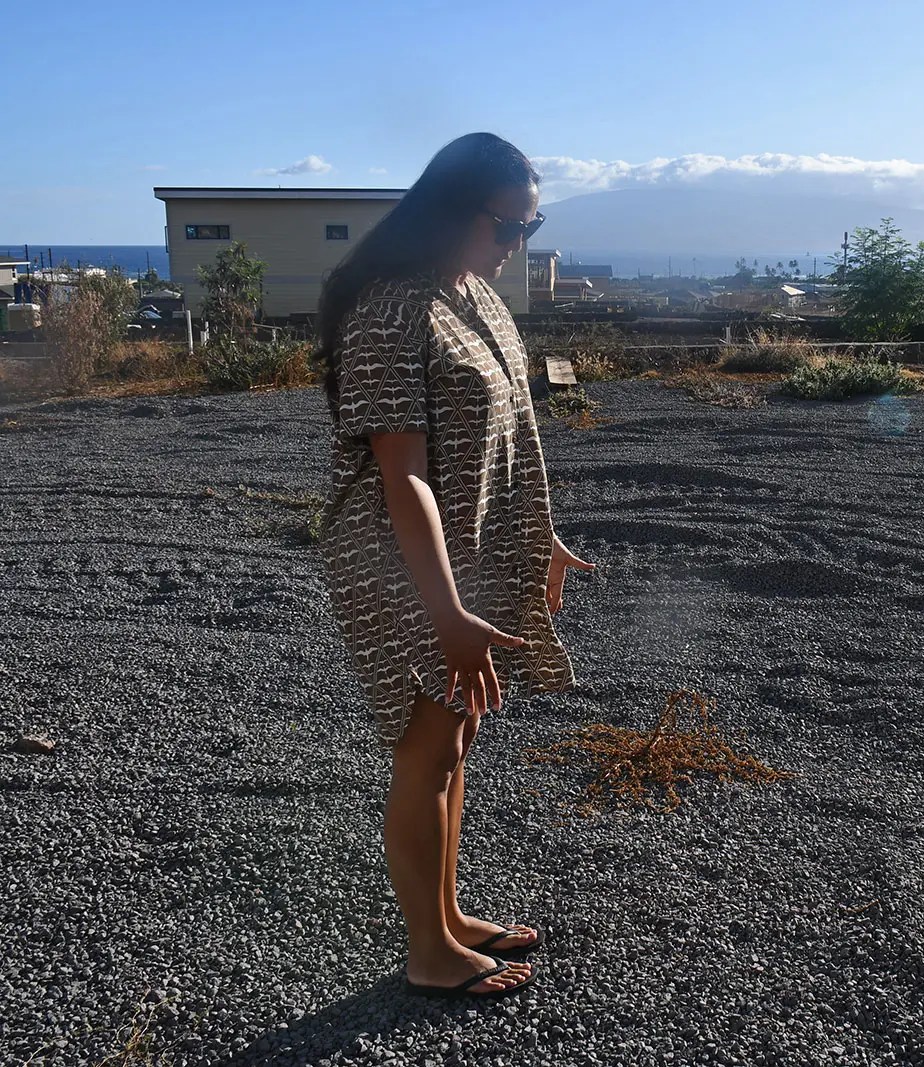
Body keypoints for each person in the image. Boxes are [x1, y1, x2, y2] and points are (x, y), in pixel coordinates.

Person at [313, 132, 596, 1000]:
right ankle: (428, 951)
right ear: (453, 207)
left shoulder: (475, 298)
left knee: (456, 736)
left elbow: (509, 435)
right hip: (402, 559)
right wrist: (449, 613)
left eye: (533, 224)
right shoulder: (391, 310)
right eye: (510, 223)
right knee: (427, 747)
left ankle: (449, 916)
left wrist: (539, 536)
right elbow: (402, 475)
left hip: (469, 556)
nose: (521, 243)